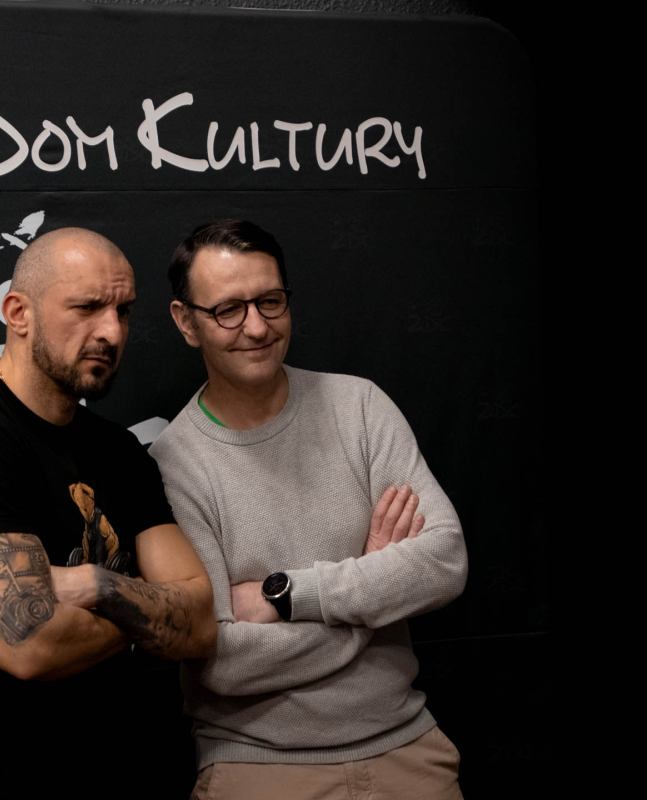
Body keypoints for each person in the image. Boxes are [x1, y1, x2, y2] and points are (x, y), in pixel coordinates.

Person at [149, 219, 468, 799]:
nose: (257, 326)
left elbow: (444, 560)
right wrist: (372, 594)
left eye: (270, 301)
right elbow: (222, 662)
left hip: (408, 750)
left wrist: (290, 595)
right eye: (228, 310)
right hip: (257, 767)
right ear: (186, 322)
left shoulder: (360, 406)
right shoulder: (173, 466)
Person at [0, 227, 216, 799]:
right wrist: (148, 611)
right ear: (18, 313)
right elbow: (30, 642)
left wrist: (97, 585)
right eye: (87, 308)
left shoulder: (119, 452)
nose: (112, 331)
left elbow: (198, 623)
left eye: (123, 310)